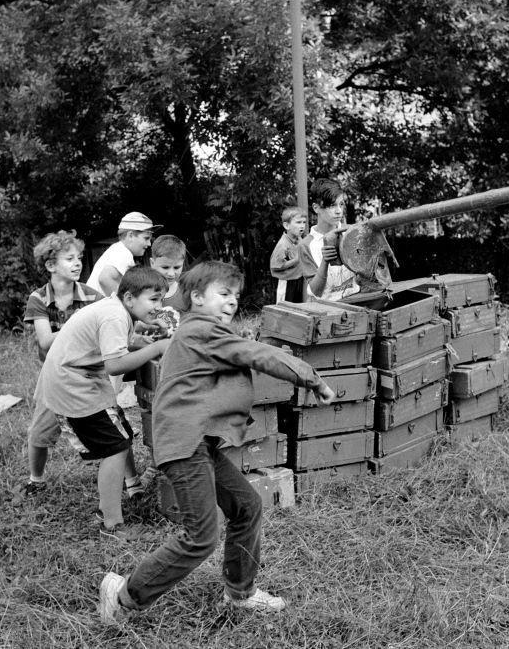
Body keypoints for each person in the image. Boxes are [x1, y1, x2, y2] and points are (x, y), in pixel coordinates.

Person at [97, 261, 337, 624]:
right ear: (195, 297)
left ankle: (239, 593)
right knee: (201, 537)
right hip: (184, 445)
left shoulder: (203, 333)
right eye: (223, 294)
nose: (232, 302)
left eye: (236, 296)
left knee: (246, 506)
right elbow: (257, 355)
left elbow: (239, 354)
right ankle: (124, 596)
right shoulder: (199, 331)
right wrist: (312, 378)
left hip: (198, 443)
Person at [33, 266, 170, 536]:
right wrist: (155, 348)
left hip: (80, 380)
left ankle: (127, 492)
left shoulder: (117, 310)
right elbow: (115, 365)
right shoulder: (114, 316)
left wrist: (140, 338)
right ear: (129, 298)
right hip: (73, 386)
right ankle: (112, 524)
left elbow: (110, 343)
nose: (159, 306)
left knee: (121, 435)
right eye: (153, 300)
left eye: (162, 300)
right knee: (115, 448)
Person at [20, 230, 103, 497]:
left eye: (79, 257)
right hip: (54, 375)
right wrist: (81, 328)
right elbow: (45, 342)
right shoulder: (38, 299)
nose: (78, 263)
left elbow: (104, 332)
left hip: (89, 372)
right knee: (39, 433)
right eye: (69, 258)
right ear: (51, 265)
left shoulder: (93, 297)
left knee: (114, 430)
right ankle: (36, 480)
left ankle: (131, 482)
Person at [298, 178, 360, 301]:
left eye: (341, 204)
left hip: (356, 301)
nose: (338, 211)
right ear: (316, 208)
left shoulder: (352, 233)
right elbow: (316, 291)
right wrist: (325, 262)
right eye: (332, 205)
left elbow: (364, 276)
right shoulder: (306, 245)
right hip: (325, 310)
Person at [85, 212, 160, 297]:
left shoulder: (119, 250)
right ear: (130, 235)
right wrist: (124, 304)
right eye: (146, 238)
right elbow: (105, 278)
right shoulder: (123, 253)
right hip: (94, 306)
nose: (149, 244)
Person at [269, 206, 307, 303]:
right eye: (298, 222)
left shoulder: (299, 239)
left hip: (298, 279)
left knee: (298, 309)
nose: (302, 226)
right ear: (286, 226)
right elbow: (275, 266)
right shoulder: (283, 245)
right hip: (286, 282)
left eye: (304, 222)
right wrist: (296, 260)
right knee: (285, 309)